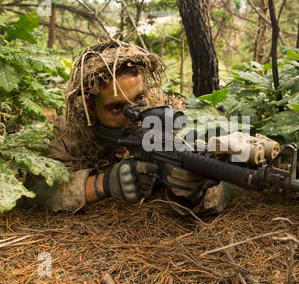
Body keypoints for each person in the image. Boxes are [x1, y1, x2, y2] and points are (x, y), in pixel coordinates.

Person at [26, 40, 233, 216]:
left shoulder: (168, 116)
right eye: (117, 108)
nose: (133, 116)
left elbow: (223, 177)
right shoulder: (72, 130)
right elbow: (37, 190)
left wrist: (194, 190)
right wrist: (104, 183)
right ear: (91, 107)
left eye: (139, 99)